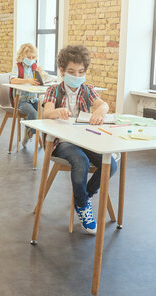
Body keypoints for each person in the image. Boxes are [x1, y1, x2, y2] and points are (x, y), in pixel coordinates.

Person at [42, 45, 117, 234]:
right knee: (81, 161)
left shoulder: (87, 90)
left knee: (112, 164)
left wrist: (100, 110)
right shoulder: (54, 90)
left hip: (85, 139)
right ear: (62, 71)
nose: (76, 76)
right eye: (71, 72)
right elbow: (46, 112)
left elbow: (104, 105)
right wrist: (56, 112)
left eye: (81, 72)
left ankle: (83, 197)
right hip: (61, 142)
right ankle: (83, 206)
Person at [9, 43, 44, 147]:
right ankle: (30, 133)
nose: (31, 59)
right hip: (21, 100)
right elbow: (13, 80)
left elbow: (37, 82)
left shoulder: (34, 66)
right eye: (29, 57)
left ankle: (29, 130)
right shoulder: (17, 66)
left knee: (43, 112)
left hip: (33, 98)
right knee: (33, 114)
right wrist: (28, 80)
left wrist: (40, 75)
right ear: (22, 56)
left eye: (33, 57)